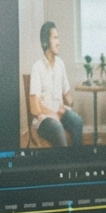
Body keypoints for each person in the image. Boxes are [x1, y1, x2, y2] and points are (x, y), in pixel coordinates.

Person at [26, 20, 83, 148]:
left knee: (77, 121)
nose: (59, 43)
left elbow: (68, 97)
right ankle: (61, 165)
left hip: (59, 114)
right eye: (55, 38)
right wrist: (53, 114)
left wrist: (69, 105)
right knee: (57, 128)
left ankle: (77, 162)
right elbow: (35, 108)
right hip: (44, 120)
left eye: (58, 38)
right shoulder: (37, 67)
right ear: (46, 41)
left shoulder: (60, 64)